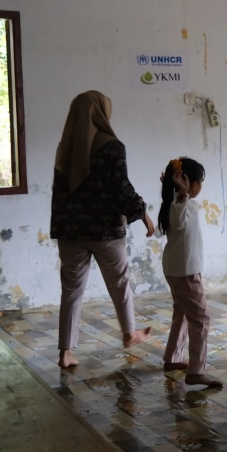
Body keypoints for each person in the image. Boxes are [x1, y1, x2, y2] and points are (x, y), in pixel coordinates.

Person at [50, 91, 154, 369]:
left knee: (71, 291)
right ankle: (130, 333)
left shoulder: (66, 147)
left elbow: (58, 193)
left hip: (70, 230)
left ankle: (65, 353)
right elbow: (121, 188)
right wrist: (142, 212)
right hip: (105, 230)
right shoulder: (111, 146)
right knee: (119, 283)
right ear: (100, 112)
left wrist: (61, 225)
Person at [159, 158, 222, 388]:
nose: (200, 186)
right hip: (185, 272)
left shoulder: (175, 202)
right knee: (201, 318)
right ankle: (196, 371)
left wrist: (177, 194)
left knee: (182, 312)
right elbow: (177, 222)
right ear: (189, 182)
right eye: (199, 181)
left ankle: (173, 357)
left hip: (178, 269)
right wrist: (182, 195)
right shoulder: (180, 203)